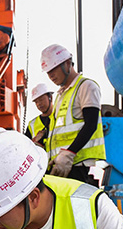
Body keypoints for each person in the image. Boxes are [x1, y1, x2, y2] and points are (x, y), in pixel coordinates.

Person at [40, 44, 106, 186]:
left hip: (77, 164)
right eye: (48, 72)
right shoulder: (61, 95)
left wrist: (69, 153)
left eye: (53, 69)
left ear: (68, 63)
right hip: (60, 163)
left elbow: (91, 124)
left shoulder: (86, 86)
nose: (51, 75)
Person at [24, 82, 55, 148]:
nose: (39, 104)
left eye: (41, 100)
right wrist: (35, 141)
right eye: (36, 102)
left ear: (50, 97)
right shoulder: (32, 124)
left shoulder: (60, 115)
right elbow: (26, 147)